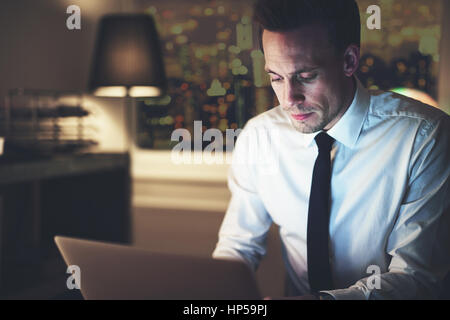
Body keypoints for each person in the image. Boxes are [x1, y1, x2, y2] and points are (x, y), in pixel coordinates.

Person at [212, 0, 450, 300]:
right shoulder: (260, 136)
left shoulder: (424, 137)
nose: (289, 99)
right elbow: (238, 246)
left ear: (349, 60)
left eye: (306, 76)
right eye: (275, 77)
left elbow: (417, 279)